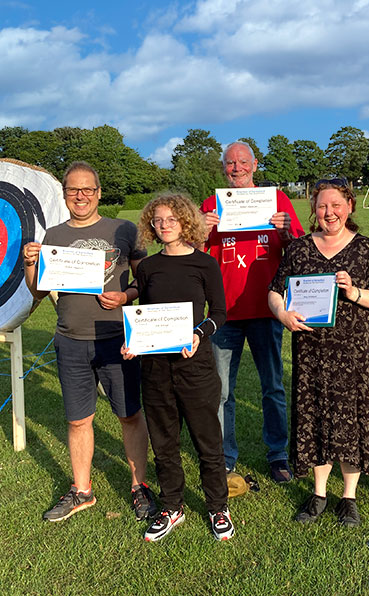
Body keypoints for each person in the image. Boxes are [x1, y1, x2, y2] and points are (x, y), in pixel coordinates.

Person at [22, 161, 155, 523]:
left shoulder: (123, 230)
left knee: (129, 415)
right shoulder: (53, 235)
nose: (80, 196)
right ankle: (82, 490)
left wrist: (126, 297)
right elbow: (38, 290)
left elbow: (146, 281)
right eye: (73, 190)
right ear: (65, 194)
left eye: (88, 190)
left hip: (116, 339)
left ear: (99, 193)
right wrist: (30, 264)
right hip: (70, 340)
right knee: (79, 420)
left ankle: (138, 486)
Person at [268, 178, 369, 526]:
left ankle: (349, 496)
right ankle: (319, 492)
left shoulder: (366, 248)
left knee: (352, 419)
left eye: (336, 205)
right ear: (313, 210)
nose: (329, 213)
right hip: (310, 352)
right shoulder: (298, 249)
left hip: (354, 351)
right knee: (316, 417)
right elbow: (275, 290)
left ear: (350, 206)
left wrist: (356, 293)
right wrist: (282, 313)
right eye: (322, 206)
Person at [124, 193, 232, 542]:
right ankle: (172, 506)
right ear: (151, 226)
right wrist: (132, 342)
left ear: (185, 221)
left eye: (171, 219)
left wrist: (200, 334)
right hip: (155, 369)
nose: (164, 225)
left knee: (208, 442)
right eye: (158, 220)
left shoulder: (205, 264)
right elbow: (141, 316)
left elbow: (219, 313)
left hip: (195, 366)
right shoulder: (150, 268)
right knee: (164, 443)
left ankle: (218, 507)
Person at [201, 140, 304, 483]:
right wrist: (200, 230)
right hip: (224, 313)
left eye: (242, 162)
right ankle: (224, 455)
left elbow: (299, 249)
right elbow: (193, 254)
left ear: (255, 164)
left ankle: (278, 454)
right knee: (221, 391)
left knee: (272, 386)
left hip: (267, 309)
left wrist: (287, 232)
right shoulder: (212, 205)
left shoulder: (276, 201)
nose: (237, 168)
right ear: (223, 168)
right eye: (230, 163)